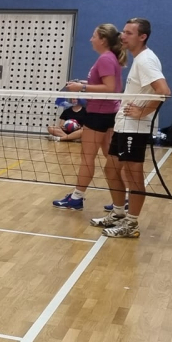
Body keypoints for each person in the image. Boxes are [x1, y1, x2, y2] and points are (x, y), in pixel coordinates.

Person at [91, 18, 172, 238]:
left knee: (133, 175)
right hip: (124, 124)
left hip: (135, 128)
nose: (122, 36)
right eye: (123, 32)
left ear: (142, 37)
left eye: (128, 33)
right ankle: (118, 213)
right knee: (111, 169)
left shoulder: (146, 60)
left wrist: (142, 111)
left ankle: (131, 223)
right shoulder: (139, 59)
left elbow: (164, 91)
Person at [54, 23, 127, 210]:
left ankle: (76, 198)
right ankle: (124, 198)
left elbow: (110, 88)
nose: (90, 39)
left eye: (94, 36)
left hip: (99, 114)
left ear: (103, 40)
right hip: (108, 113)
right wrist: (82, 83)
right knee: (110, 157)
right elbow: (105, 84)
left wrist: (82, 87)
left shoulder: (105, 59)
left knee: (87, 157)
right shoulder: (110, 58)